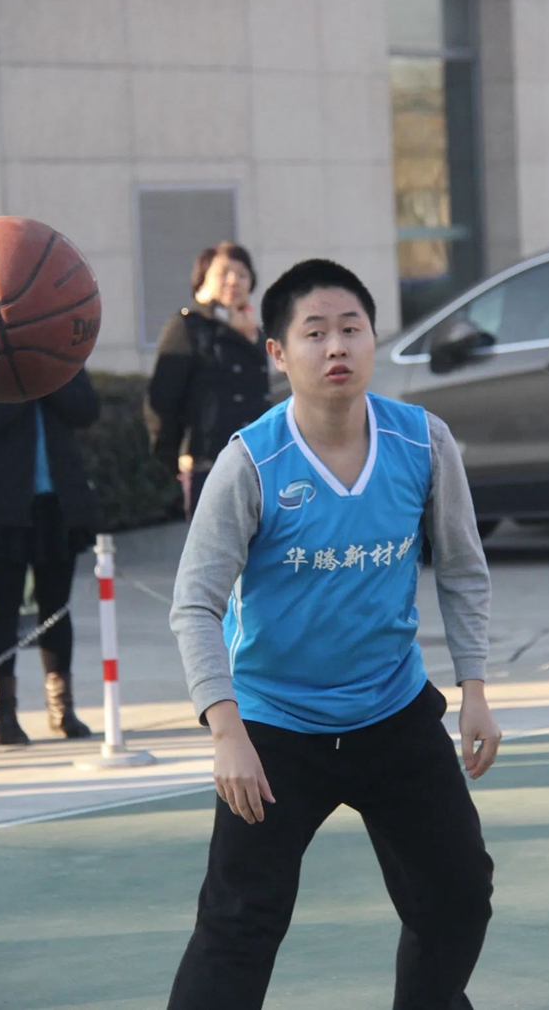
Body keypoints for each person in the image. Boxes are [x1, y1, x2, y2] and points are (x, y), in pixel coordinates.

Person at [167, 259, 501, 1010]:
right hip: (275, 725)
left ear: (374, 340)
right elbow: (195, 604)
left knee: (457, 898)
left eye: (352, 329)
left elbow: (462, 568)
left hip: (391, 710)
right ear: (278, 354)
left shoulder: (422, 442)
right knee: (239, 924)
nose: (336, 346)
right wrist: (226, 732)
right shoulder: (252, 461)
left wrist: (474, 689)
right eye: (314, 333)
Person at [0, 370, 102, 744]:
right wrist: (28, 380)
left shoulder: (59, 358)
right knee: (2, 607)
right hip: (1, 505)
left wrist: (49, 373)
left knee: (57, 607)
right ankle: (4, 713)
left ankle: (62, 708)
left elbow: (86, 410)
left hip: (58, 501)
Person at [145, 241, 271, 520]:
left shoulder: (257, 333)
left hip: (260, 462)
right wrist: (174, 457)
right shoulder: (187, 326)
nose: (234, 281)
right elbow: (162, 399)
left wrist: (250, 339)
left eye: (242, 274)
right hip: (208, 463)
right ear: (202, 279)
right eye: (223, 272)